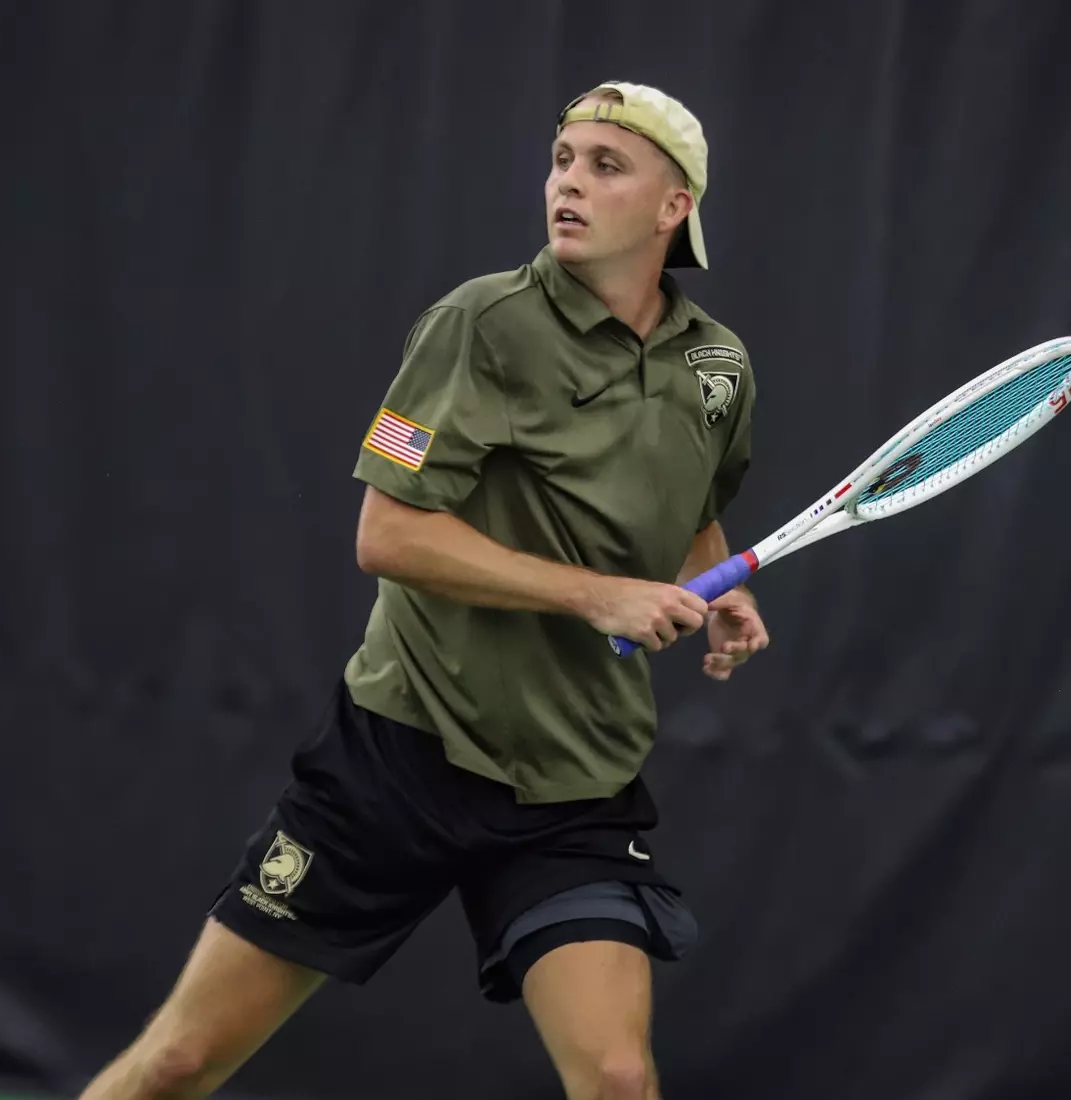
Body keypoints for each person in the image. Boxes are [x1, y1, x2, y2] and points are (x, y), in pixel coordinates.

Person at [79, 80, 769, 1100]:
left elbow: (690, 509)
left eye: (605, 165)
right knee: (178, 1059)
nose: (568, 183)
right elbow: (389, 533)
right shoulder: (479, 324)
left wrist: (710, 582)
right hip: (401, 754)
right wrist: (597, 597)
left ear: (676, 209)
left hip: (573, 781)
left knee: (620, 1077)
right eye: (562, 159)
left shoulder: (718, 367)